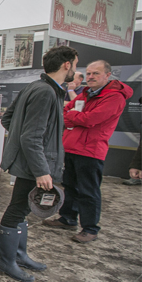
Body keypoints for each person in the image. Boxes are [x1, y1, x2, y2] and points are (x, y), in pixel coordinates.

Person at [0, 45, 79, 282]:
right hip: (34, 165)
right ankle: (6, 261)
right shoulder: (45, 91)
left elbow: (8, 119)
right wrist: (41, 169)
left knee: (23, 210)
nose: (76, 68)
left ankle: (18, 255)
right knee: (17, 211)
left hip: (32, 161)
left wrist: (23, 145)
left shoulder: (38, 88)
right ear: (67, 65)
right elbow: (31, 136)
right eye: (75, 64)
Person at [43, 60, 132, 243]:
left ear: (107, 75)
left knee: (88, 191)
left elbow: (91, 119)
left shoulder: (114, 97)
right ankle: (67, 218)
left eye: (96, 73)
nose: (90, 77)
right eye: (89, 73)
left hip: (91, 150)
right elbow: (65, 111)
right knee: (70, 186)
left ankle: (90, 228)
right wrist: (75, 117)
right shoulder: (85, 93)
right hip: (72, 147)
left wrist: (73, 117)